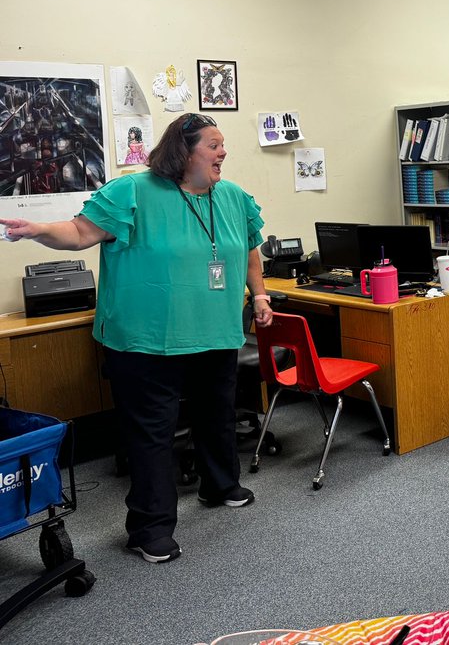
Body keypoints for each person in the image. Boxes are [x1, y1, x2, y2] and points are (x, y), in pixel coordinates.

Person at [1, 113, 270, 564]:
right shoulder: (133, 192)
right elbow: (82, 232)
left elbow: (249, 251)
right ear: (184, 151)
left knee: (216, 416)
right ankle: (149, 528)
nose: (223, 152)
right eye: (214, 144)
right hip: (147, 342)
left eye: (223, 144)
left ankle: (219, 484)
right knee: (152, 435)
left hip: (215, 332)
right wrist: (42, 231)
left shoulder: (234, 198)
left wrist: (259, 295)